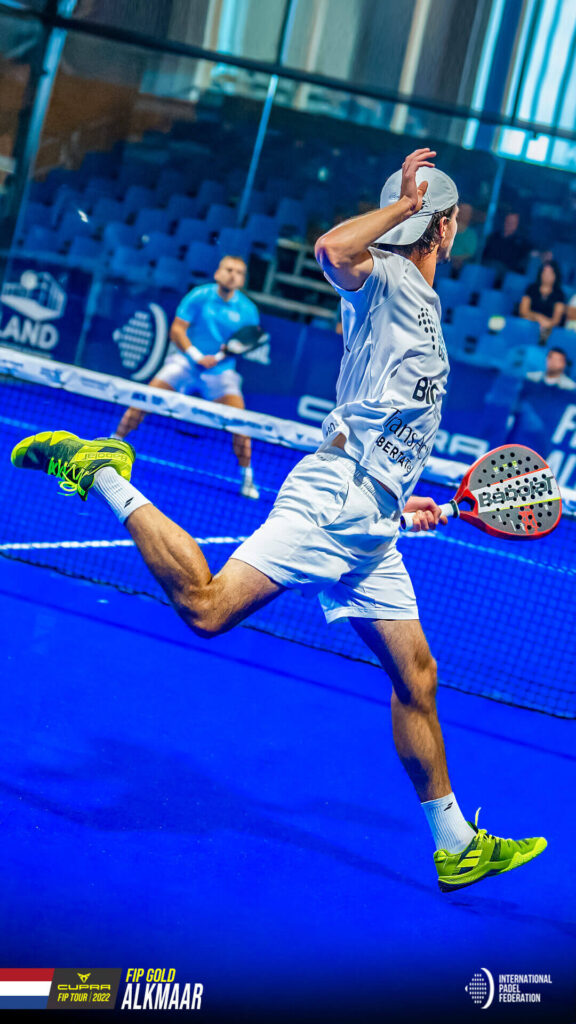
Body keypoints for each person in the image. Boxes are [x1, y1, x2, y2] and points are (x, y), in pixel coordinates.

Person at [12, 149, 546, 893]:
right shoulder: (385, 276)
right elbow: (331, 250)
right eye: (450, 219)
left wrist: (400, 498)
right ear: (444, 225)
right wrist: (405, 207)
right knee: (207, 608)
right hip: (332, 499)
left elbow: (389, 415)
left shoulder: (421, 302)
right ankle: (101, 471)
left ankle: (456, 844)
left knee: (417, 675)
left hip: (373, 518)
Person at [113, 254, 261, 500]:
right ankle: (112, 445)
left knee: (241, 423)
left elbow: (246, 342)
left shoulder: (248, 310)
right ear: (218, 273)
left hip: (221, 371)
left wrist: (222, 355)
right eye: (228, 270)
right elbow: (177, 330)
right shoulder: (199, 296)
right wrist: (196, 355)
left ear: (242, 280)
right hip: (186, 363)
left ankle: (247, 477)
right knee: (143, 400)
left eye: (238, 272)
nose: (232, 275)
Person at [519, 261, 565, 343]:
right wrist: (538, 318)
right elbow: (523, 311)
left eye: (550, 273)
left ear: (555, 276)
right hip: (529, 322)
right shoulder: (531, 288)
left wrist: (546, 324)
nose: (547, 276)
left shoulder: (559, 294)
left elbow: (556, 320)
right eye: (544, 272)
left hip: (547, 328)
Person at [482, 211, 530, 276]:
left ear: (517, 225)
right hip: (486, 268)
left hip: (506, 274)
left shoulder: (521, 243)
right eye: (508, 221)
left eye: (512, 223)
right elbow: (484, 255)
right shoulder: (493, 237)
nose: (509, 224)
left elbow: (520, 266)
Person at [449, 202, 479, 270]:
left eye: (467, 212)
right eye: (462, 211)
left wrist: (455, 259)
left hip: (458, 265)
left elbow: (469, 254)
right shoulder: (445, 227)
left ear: (470, 216)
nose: (463, 214)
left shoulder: (471, 235)